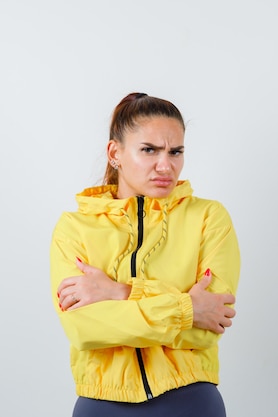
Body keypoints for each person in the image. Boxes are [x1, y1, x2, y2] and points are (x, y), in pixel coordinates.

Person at [49, 92, 241, 417]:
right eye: (149, 150)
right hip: (102, 406)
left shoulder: (209, 217)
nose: (165, 165)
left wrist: (120, 292)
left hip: (190, 401)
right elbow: (85, 329)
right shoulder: (74, 228)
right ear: (115, 153)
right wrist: (186, 307)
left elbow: (208, 325)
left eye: (175, 151)